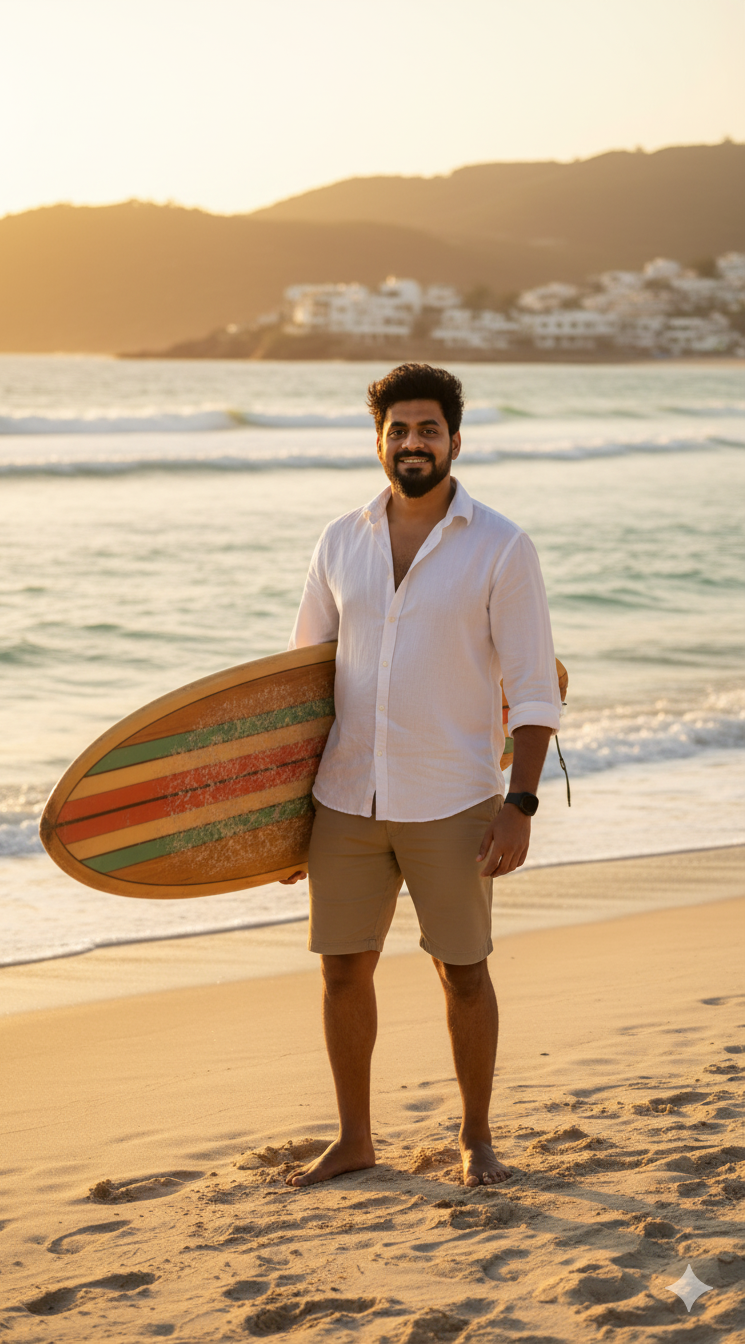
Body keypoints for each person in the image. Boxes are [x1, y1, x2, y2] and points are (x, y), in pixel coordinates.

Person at [280, 363, 560, 1189]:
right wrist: (279, 821)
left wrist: (520, 805)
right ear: (378, 442)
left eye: (427, 430)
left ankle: (476, 1136)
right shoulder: (340, 540)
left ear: (455, 441)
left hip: (453, 798)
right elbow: (300, 686)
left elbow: (534, 689)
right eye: (398, 429)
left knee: (462, 970)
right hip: (346, 798)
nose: (412, 443)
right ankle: (355, 1139)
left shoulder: (502, 546)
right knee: (341, 969)